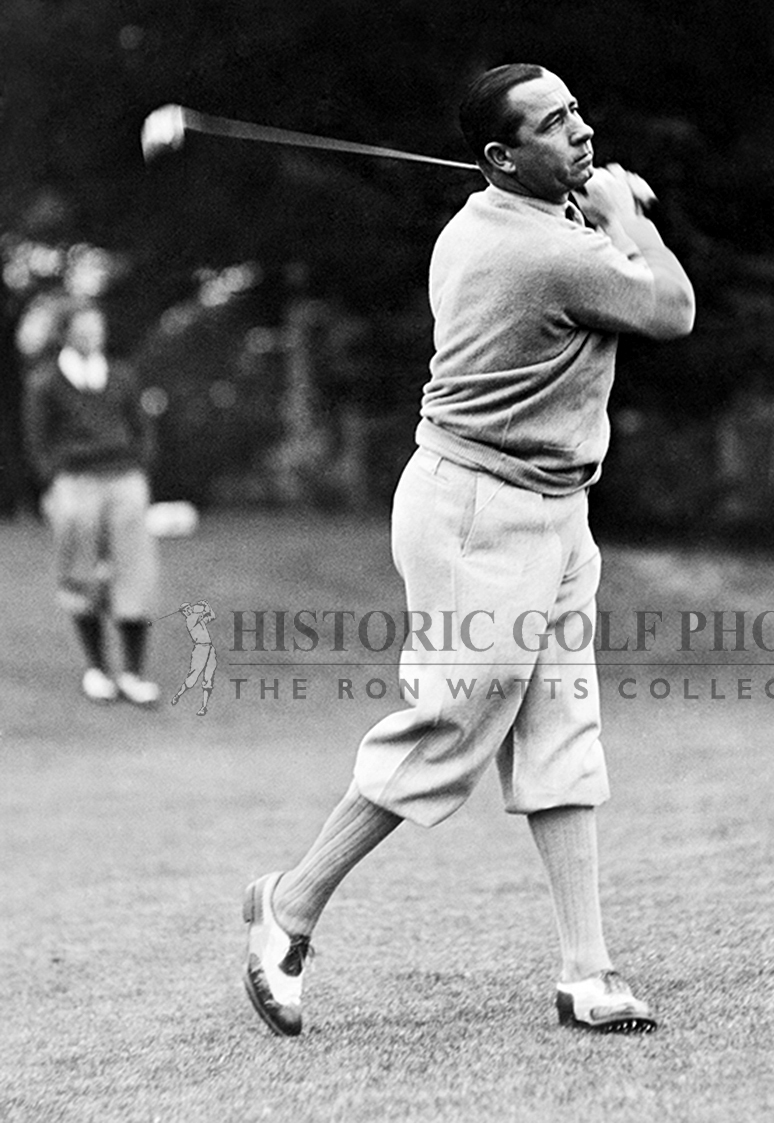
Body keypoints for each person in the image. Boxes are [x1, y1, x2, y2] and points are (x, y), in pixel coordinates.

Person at [243, 64, 695, 1037]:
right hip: (474, 513)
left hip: (553, 511)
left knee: (560, 731)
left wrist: (593, 204)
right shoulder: (538, 253)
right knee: (453, 721)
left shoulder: (499, 219)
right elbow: (669, 308)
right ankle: (291, 901)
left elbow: (589, 246)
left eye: (578, 110)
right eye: (550, 124)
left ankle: (587, 971)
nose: (578, 130)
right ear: (499, 157)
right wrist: (623, 209)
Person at [22, 299, 160, 705]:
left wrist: (139, 467)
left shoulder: (121, 375)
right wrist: (55, 482)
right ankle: (98, 669)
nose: (92, 335)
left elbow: (142, 429)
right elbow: (38, 441)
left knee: (134, 573)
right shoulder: (45, 382)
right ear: (65, 335)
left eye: (96, 327)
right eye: (83, 328)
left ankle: (133, 673)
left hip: (125, 479)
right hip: (75, 483)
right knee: (81, 575)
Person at [171, 601, 217, 716]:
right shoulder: (190, 620)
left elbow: (212, 616)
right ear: (184, 613)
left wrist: (207, 606)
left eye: (189, 608)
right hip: (200, 649)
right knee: (194, 675)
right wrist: (205, 604)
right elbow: (204, 611)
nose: (189, 610)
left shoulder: (199, 621)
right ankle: (178, 695)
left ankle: (204, 707)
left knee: (208, 677)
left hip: (210, 648)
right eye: (186, 610)